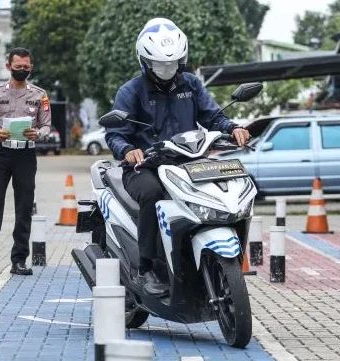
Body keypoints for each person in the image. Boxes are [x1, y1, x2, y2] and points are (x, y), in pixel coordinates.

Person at [105, 18, 251, 295]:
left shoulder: (191, 85)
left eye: (172, 65)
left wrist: (233, 128)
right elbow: (115, 134)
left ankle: (217, 255)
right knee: (151, 195)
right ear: (145, 61)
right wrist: (128, 150)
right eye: (160, 65)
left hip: (187, 161)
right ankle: (146, 267)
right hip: (143, 165)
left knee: (228, 186)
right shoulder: (130, 91)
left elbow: (213, 116)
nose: (167, 70)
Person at [0, 47, 51, 277]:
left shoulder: (39, 95)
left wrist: (39, 133)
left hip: (25, 155)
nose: (22, 71)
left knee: (24, 206)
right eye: (18, 67)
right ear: (8, 67)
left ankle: (19, 260)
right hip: (1, 154)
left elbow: (46, 124)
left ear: (31, 68)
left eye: (26, 68)